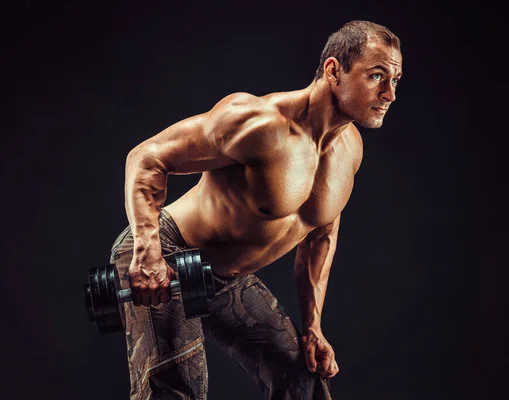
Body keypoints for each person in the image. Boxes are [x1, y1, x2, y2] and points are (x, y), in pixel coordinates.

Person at [109, 20, 402, 399]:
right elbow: (146, 158)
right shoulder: (259, 123)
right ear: (333, 70)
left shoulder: (350, 151)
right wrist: (147, 250)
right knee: (176, 392)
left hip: (225, 278)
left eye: (395, 80)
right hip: (164, 254)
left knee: (304, 381)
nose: (389, 94)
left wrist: (313, 327)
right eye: (377, 76)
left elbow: (321, 236)